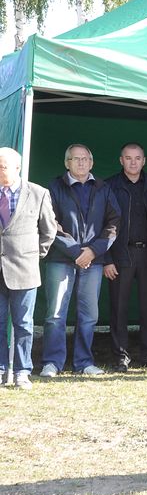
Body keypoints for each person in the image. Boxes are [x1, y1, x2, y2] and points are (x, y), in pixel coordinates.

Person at [41, 144, 120, 378]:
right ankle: (52, 362)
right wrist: (76, 251)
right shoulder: (54, 187)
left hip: (93, 261)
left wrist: (94, 251)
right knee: (55, 314)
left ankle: (83, 362)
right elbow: (49, 223)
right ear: (67, 163)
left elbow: (114, 222)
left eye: (85, 159)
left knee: (89, 315)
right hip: (61, 259)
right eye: (76, 159)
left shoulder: (103, 188)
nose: (81, 163)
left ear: (92, 162)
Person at [0, 148, 57, 389]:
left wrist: (34, 256)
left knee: (24, 324)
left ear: (17, 168)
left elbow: (49, 231)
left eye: (2, 166)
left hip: (24, 270)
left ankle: (22, 370)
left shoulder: (37, 193)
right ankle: (2, 369)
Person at [104, 142, 147, 372]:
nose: (133, 162)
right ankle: (121, 356)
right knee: (119, 308)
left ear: (144, 160)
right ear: (121, 160)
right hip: (120, 255)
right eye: (128, 158)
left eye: (137, 158)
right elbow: (102, 225)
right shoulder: (109, 186)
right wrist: (106, 258)